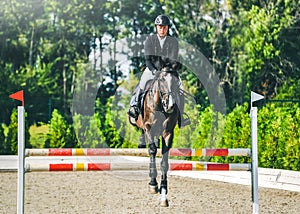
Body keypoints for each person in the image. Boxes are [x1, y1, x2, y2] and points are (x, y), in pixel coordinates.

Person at [128, 14, 190, 128]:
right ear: (156, 27)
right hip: (152, 69)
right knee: (142, 84)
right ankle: (134, 107)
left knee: (180, 86)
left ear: (167, 28)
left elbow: (173, 58)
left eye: (164, 27)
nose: (162, 29)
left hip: (167, 71)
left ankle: (181, 116)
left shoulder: (173, 42)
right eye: (160, 27)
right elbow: (148, 59)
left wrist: (167, 69)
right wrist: (154, 70)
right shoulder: (150, 40)